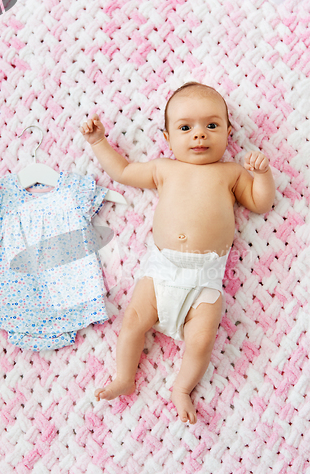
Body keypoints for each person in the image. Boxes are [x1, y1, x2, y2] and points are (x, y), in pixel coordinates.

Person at [80, 82, 276, 424]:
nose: (199, 135)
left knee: (202, 340)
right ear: (168, 138)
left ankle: (182, 387)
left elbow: (260, 203)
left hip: (205, 277)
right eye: (186, 128)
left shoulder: (230, 173)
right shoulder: (163, 169)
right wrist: (99, 142)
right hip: (162, 270)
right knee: (132, 323)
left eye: (211, 126)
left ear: (228, 133)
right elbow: (123, 171)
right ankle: (125, 378)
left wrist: (261, 174)